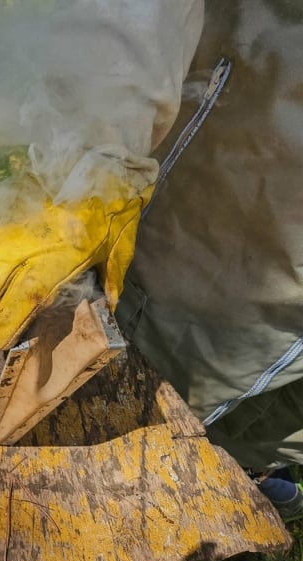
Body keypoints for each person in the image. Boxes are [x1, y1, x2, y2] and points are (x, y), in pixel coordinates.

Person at [115, 0, 303, 517]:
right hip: (266, 126)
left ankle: (240, 457)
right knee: (194, 325)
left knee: (283, 394)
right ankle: (146, 436)